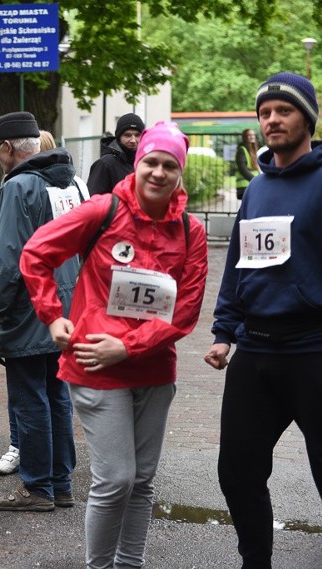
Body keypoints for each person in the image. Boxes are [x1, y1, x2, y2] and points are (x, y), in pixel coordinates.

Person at [21, 121, 208, 568]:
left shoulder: (190, 231)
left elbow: (185, 310)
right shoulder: (102, 210)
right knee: (116, 479)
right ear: (137, 163)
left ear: (179, 173)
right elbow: (35, 254)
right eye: (151, 162)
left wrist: (128, 347)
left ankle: (130, 564)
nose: (158, 173)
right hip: (94, 365)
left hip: (154, 369)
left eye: (169, 165)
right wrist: (52, 316)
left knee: (142, 481)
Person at [204, 72, 322, 569]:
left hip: (313, 352)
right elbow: (238, 264)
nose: (273, 119)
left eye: (285, 110)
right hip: (255, 352)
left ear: (308, 119)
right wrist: (223, 331)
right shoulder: (255, 188)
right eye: (265, 112)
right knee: (237, 471)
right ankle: (256, 562)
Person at [0, 112, 80, 514]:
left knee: (30, 401)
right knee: (56, 396)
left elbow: (5, 262)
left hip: (29, 312)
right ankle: (61, 483)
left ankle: (37, 488)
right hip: (64, 310)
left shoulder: (19, 188)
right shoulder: (68, 183)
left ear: (6, 148)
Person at [87, 113, 145, 195]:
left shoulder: (146, 162)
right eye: (127, 135)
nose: (133, 140)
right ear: (119, 137)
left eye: (137, 135)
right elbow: (93, 200)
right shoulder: (105, 163)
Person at [234, 128, 260, 200]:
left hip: (251, 185)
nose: (252, 137)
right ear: (245, 138)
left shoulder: (253, 151)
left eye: (253, 135)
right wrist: (255, 180)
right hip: (245, 186)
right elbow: (242, 168)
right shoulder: (242, 150)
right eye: (249, 135)